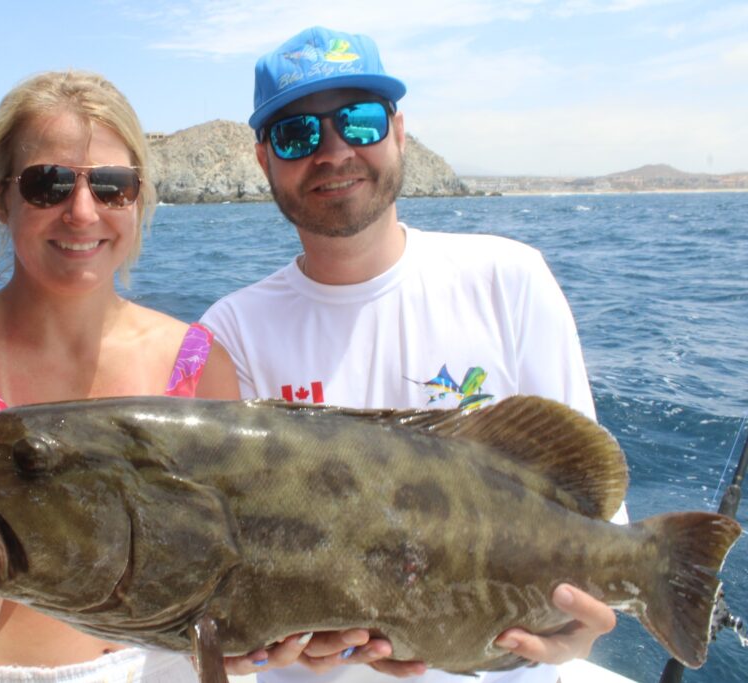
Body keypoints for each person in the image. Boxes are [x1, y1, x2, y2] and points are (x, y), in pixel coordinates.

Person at [202, 26, 625, 683]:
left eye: (360, 121)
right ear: (264, 160)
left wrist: (577, 628)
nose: (333, 151)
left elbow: (593, 517)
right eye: (297, 134)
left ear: (398, 131)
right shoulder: (230, 333)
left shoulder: (510, 279)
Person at [0, 70, 239, 683]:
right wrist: (8, 534)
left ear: (138, 200)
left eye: (113, 187)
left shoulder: (200, 364)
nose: (83, 211)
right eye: (49, 184)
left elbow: (227, 591)